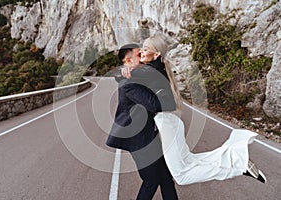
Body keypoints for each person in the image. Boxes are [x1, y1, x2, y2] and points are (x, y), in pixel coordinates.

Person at [125, 35, 267, 185]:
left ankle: (238, 168)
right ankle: (233, 155)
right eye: (142, 48)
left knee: (181, 176)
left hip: (167, 125)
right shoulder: (158, 68)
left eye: (146, 49)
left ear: (157, 54)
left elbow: (128, 77)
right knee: (190, 160)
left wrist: (127, 72)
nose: (141, 52)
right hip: (172, 122)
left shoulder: (150, 70)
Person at [106, 43, 179, 200]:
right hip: (138, 139)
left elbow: (155, 73)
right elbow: (155, 104)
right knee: (151, 181)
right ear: (128, 60)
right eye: (139, 55)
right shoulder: (128, 83)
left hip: (148, 136)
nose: (142, 57)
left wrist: (158, 60)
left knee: (165, 177)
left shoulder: (138, 74)